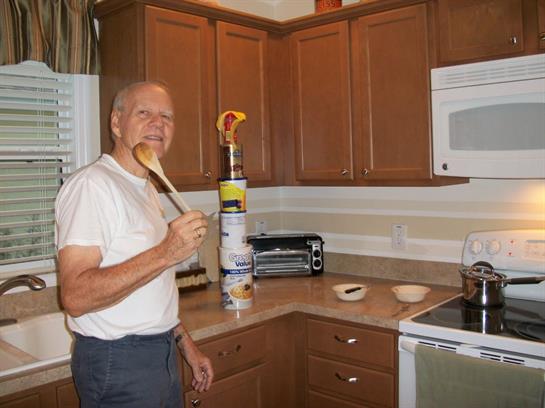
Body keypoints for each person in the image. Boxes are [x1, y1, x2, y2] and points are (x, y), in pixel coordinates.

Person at [55, 81, 214, 407]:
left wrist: (186, 346)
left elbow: (150, 289)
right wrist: (166, 251)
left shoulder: (147, 189)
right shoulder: (92, 186)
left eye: (167, 116)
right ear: (116, 123)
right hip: (118, 362)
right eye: (144, 113)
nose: (158, 123)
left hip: (160, 354)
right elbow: (75, 296)